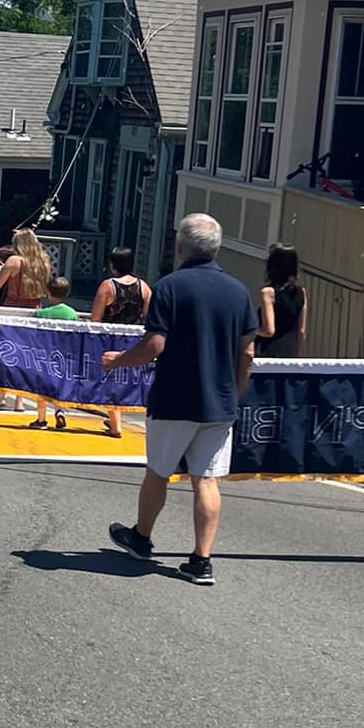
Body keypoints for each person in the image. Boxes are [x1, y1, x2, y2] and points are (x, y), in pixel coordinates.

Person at [104, 212, 257, 587]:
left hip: (174, 397)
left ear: (180, 248)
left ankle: (141, 537)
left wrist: (118, 360)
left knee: (158, 472)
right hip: (219, 402)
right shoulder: (239, 291)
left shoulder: (170, 287)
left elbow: (155, 344)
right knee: (206, 479)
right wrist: (235, 394)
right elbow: (248, 352)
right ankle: (201, 560)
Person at [89, 246, 150, 439]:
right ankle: (115, 419)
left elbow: (96, 317)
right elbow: (147, 316)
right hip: (134, 340)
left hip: (111, 339)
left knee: (112, 381)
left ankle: (115, 425)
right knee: (126, 380)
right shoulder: (144, 287)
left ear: (112, 265)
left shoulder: (108, 286)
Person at [0, 226, 52, 411]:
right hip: (34, 309)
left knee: (6, 353)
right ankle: (19, 400)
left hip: (12, 309)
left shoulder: (13, 261)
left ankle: (2, 395)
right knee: (25, 355)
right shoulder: (43, 262)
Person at [29, 275, 79, 430]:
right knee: (59, 386)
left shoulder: (42, 313)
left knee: (41, 389)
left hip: (44, 355)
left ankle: (41, 419)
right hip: (63, 355)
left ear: (48, 293)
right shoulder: (72, 314)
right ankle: (59, 411)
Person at [256, 244, 308, 356]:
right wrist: (299, 356)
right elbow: (301, 330)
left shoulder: (268, 293)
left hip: (269, 353)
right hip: (290, 354)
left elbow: (269, 331)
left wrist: (250, 330)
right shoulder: (301, 292)